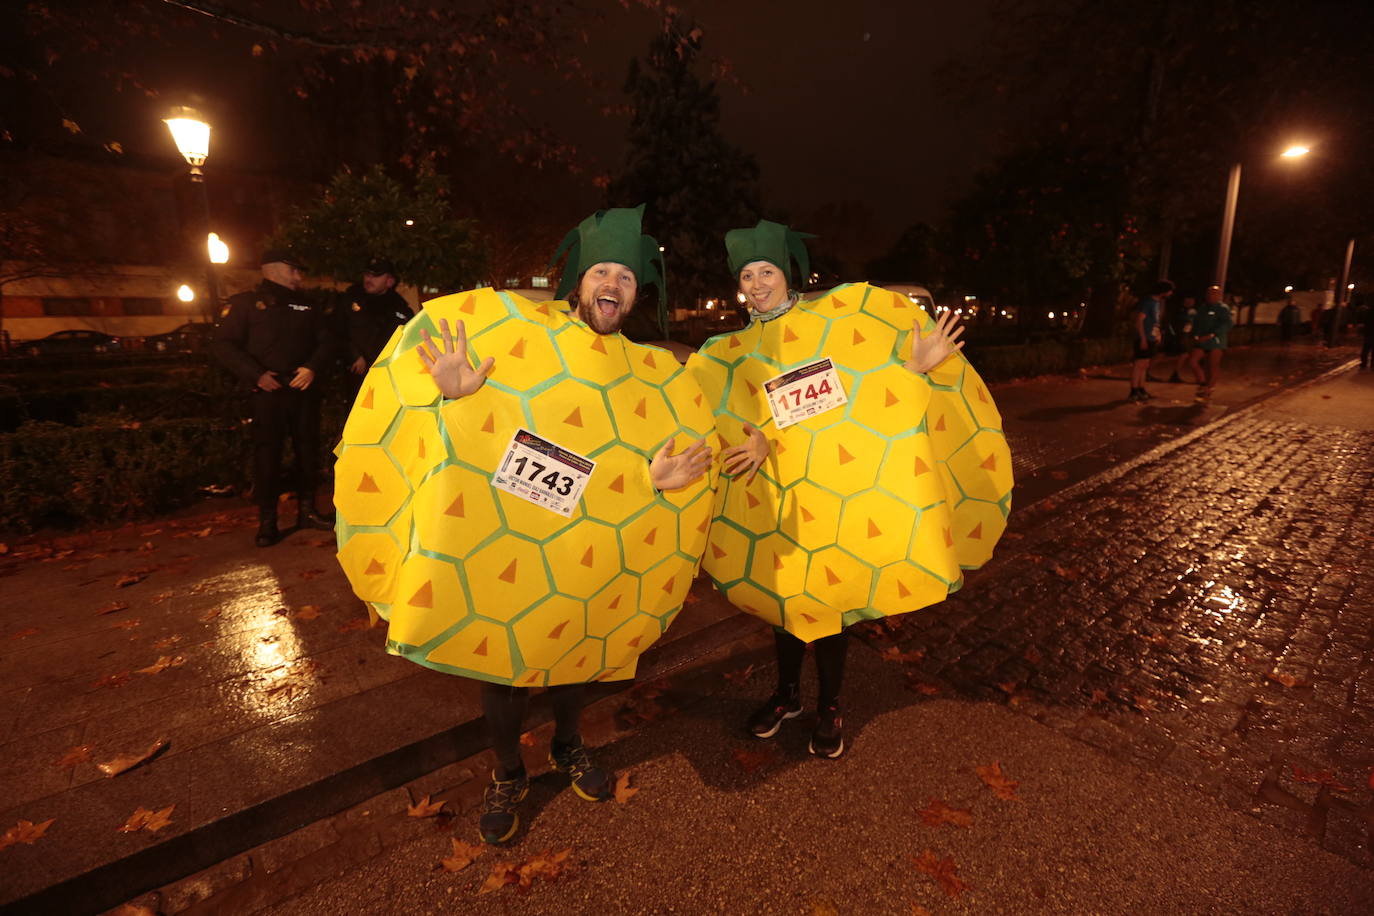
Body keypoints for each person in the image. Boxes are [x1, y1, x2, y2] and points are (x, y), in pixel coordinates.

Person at [358, 207, 712, 844]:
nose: (614, 284)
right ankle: (508, 771)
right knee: (505, 672)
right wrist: (458, 398)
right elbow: (476, 439)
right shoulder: (515, 340)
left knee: (580, 652)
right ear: (577, 281)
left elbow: (650, 457)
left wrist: (657, 484)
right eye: (601, 270)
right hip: (509, 547)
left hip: (589, 553)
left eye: (628, 277)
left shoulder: (650, 373)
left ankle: (569, 747)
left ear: (639, 293)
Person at [688, 220, 1005, 759]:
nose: (758, 282)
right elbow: (716, 417)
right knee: (783, 605)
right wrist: (756, 441)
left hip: (833, 492)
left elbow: (860, 395)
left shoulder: (836, 325)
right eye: (747, 274)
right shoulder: (727, 351)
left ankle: (829, 704)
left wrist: (912, 369)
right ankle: (787, 694)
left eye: (767, 270)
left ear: (787, 275)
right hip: (770, 501)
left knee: (828, 602)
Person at [212, 248, 336, 547]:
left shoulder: (309, 304)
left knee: (308, 453)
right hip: (268, 392)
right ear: (273, 268)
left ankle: (307, 511)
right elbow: (223, 345)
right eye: (293, 269)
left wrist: (312, 367)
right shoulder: (245, 304)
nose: (299, 276)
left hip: (303, 389)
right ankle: (268, 522)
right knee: (268, 457)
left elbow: (327, 341)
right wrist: (256, 375)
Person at [340, 257, 413, 394]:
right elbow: (338, 331)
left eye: (376, 276)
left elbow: (409, 341)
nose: (369, 279)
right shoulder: (350, 299)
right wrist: (353, 356)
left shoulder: (400, 308)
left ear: (390, 281)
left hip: (387, 377)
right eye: (367, 274)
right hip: (357, 374)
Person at [1129, 280, 1173, 401]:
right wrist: (1143, 338)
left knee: (1145, 365)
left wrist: (1157, 334)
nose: (1170, 294)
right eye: (1169, 291)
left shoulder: (1157, 303)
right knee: (1139, 364)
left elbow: (1154, 321)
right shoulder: (1148, 302)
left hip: (1151, 337)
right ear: (1163, 291)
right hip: (1144, 337)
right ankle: (1134, 390)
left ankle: (1141, 388)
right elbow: (1139, 320)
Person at [1188, 284, 1233, 395]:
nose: (1211, 295)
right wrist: (1195, 335)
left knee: (1213, 366)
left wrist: (1212, 334)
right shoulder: (1203, 308)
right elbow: (1197, 323)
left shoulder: (1223, 308)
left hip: (1216, 342)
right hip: (1201, 341)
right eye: (1209, 293)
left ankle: (1209, 388)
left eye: (1214, 293)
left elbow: (1227, 324)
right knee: (1193, 361)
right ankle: (1202, 383)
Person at [1163, 294, 1195, 382]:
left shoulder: (1192, 311)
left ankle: (1175, 374)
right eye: (1188, 301)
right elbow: (1173, 322)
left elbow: (1192, 322)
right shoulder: (1179, 310)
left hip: (1184, 336)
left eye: (1192, 301)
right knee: (1163, 354)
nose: (1190, 303)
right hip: (1176, 335)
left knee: (1183, 354)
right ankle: (1146, 370)